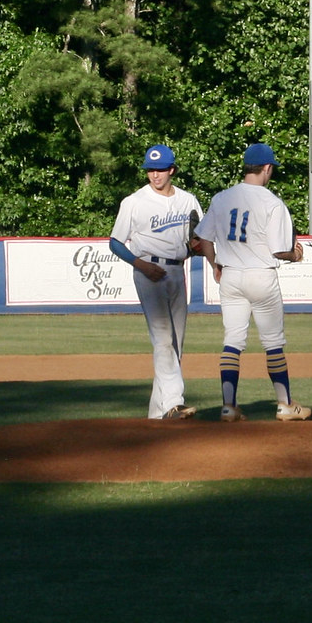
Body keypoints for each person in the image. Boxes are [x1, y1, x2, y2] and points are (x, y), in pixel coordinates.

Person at [194, 143, 312, 423]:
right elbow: (279, 250)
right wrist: (295, 256)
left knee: (232, 341)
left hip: (232, 274)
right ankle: (284, 405)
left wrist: (214, 265)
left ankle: (228, 407)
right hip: (261, 275)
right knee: (272, 343)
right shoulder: (272, 202)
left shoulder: (222, 198)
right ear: (267, 168)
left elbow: (204, 238)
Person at [109, 145, 204, 420]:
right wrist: (139, 264)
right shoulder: (134, 201)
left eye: (160, 169)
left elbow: (199, 236)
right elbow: (115, 242)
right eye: (151, 170)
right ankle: (174, 402)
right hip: (147, 270)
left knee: (176, 343)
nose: (155, 175)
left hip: (176, 270)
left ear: (171, 170)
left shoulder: (188, 200)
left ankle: (157, 414)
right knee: (162, 339)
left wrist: (198, 248)